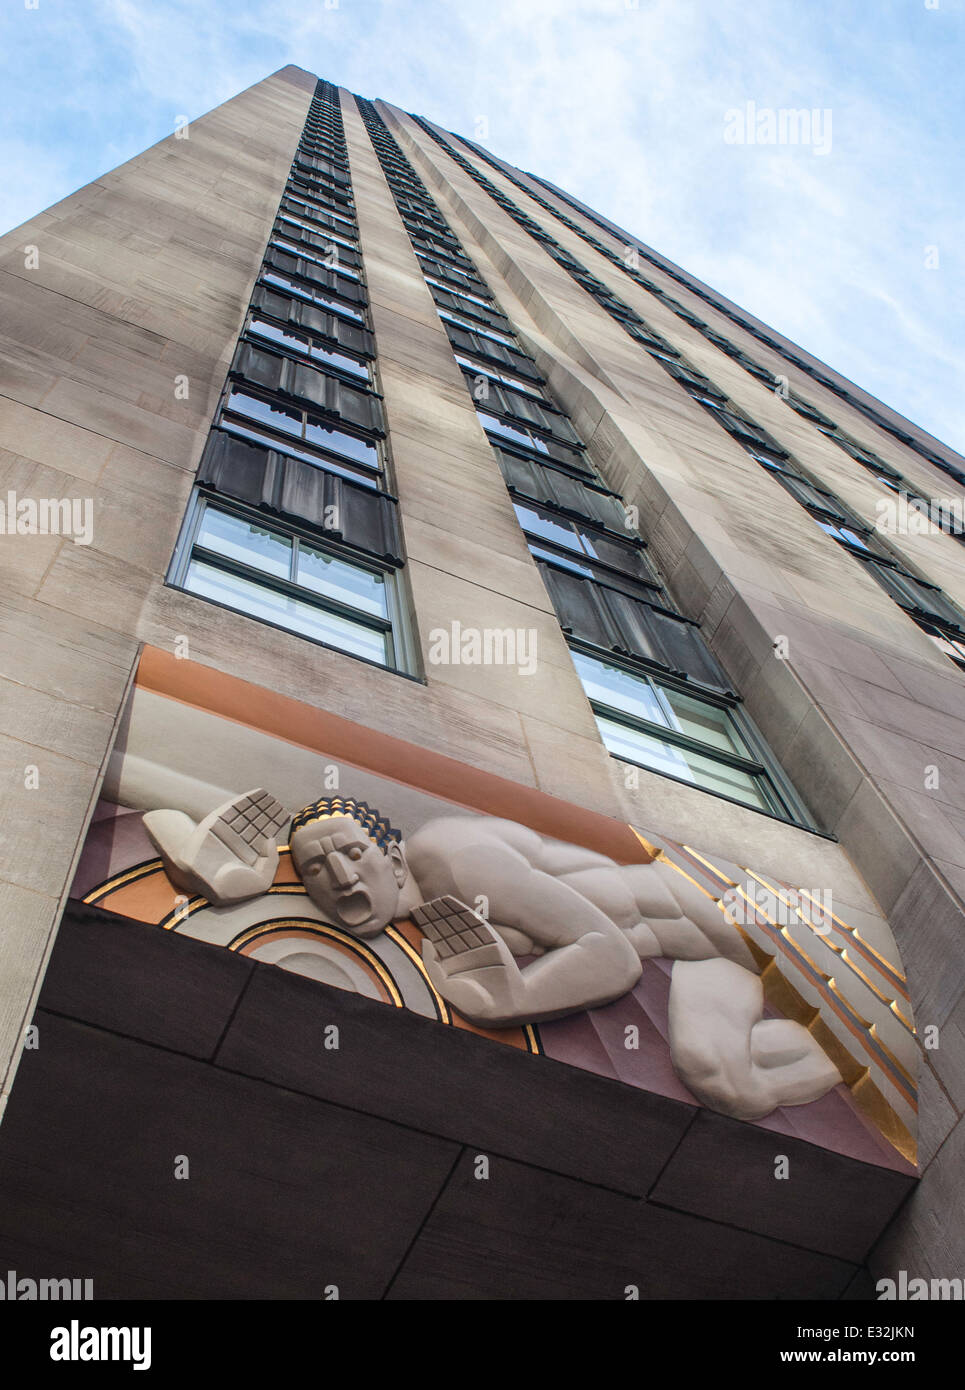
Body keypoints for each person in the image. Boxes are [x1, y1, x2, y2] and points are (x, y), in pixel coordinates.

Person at [144, 790, 841, 1120]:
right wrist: (236, 881)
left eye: (353, 856)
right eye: (317, 871)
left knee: (720, 1083)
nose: (342, 880)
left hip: (723, 933)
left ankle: (821, 1051)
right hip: (689, 955)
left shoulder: (453, 857)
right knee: (729, 1083)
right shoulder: (404, 900)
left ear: (390, 854)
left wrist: (514, 1000)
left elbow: (608, 955)